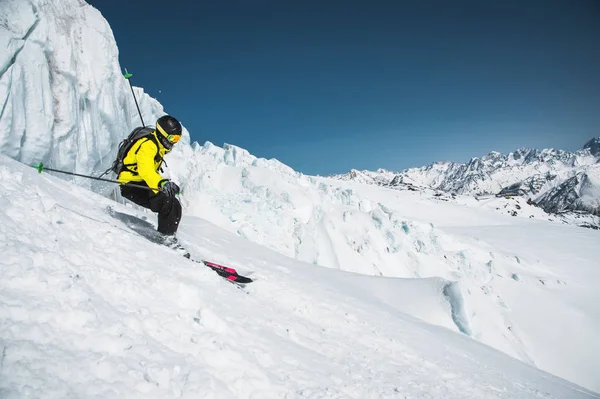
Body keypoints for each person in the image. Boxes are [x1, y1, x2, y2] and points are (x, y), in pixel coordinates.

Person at [118, 115, 183, 243]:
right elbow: (145, 169)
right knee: (168, 202)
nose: (174, 142)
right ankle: (166, 238)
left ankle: (167, 236)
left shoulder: (157, 145)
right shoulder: (149, 146)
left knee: (172, 203)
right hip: (131, 185)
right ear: (163, 134)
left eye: (177, 139)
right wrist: (161, 183)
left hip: (141, 182)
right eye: (172, 138)